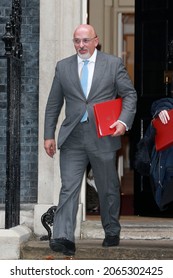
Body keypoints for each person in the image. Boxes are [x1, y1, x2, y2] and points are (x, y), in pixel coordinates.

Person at [44, 24, 137, 256]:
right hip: (72, 136)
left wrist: (123, 122)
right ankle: (63, 237)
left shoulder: (113, 64)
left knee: (107, 188)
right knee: (69, 187)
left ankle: (112, 229)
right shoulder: (63, 66)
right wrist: (48, 135)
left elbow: (129, 94)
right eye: (77, 41)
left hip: (103, 136)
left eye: (85, 40)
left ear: (96, 41)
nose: (81, 45)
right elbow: (54, 103)